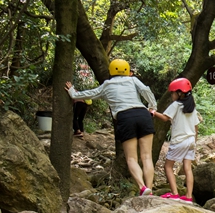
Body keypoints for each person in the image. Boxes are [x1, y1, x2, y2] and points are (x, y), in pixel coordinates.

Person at [66, 59, 158, 196]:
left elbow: (90, 94)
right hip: (143, 114)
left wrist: (73, 92)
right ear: (127, 71)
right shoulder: (133, 80)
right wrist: (152, 106)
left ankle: (142, 187)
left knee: (131, 158)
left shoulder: (107, 85)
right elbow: (146, 90)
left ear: (111, 71)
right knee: (147, 157)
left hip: (125, 117)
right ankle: (150, 190)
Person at [152, 77, 202, 202]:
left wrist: (153, 112)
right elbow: (196, 127)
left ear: (179, 93)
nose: (172, 95)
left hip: (179, 141)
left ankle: (174, 193)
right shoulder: (192, 108)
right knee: (187, 168)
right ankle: (189, 196)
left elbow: (165, 118)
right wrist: (194, 142)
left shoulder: (176, 105)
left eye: (173, 93)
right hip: (191, 141)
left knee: (168, 166)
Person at [72, 62, 94, 138]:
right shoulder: (79, 91)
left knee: (74, 117)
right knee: (80, 119)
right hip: (85, 104)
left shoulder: (72, 91)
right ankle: (81, 131)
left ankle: (77, 131)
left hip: (78, 103)